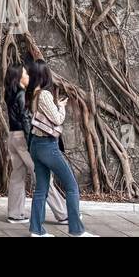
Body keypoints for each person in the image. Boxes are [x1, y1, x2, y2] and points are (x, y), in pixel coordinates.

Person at [25, 60, 97, 237]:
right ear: (44, 75)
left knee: (41, 189)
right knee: (72, 186)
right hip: (48, 147)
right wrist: (62, 107)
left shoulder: (32, 95)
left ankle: (37, 231)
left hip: (36, 144)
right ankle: (76, 231)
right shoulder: (44, 95)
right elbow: (57, 119)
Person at [3, 62, 67, 224]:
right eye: (25, 74)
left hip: (12, 136)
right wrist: (32, 142)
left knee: (17, 174)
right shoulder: (21, 95)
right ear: (18, 78)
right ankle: (63, 214)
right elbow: (26, 121)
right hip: (24, 139)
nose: (28, 76)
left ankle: (15, 214)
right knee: (42, 174)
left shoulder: (10, 93)